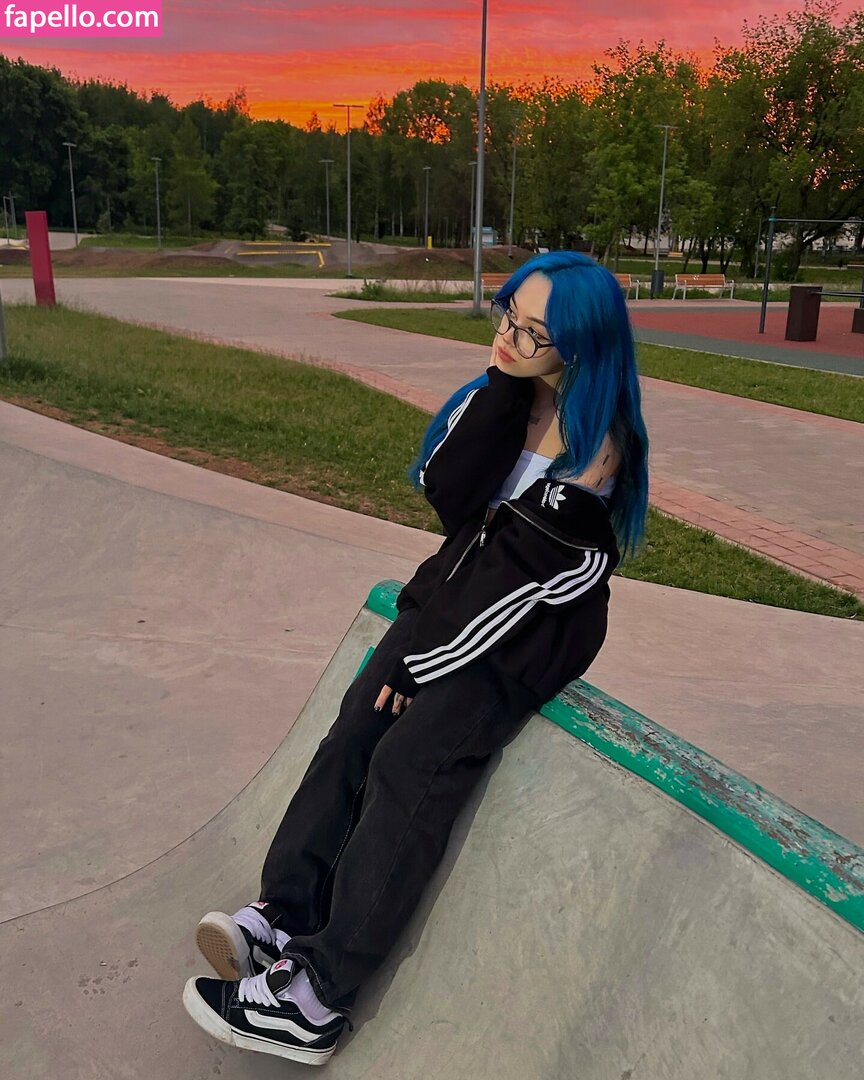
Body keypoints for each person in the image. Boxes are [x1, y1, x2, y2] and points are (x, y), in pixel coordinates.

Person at [182, 251, 650, 1065]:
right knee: (351, 735)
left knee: (409, 766)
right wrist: (501, 390)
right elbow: (446, 492)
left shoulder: (595, 442)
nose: (508, 336)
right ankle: (283, 917)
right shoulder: (510, 395)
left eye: (532, 333)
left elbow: (520, 578)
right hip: (450, 601)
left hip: (519, 641)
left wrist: (422, 663)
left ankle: (318, 997)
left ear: (579, 346)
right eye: (508, 315)